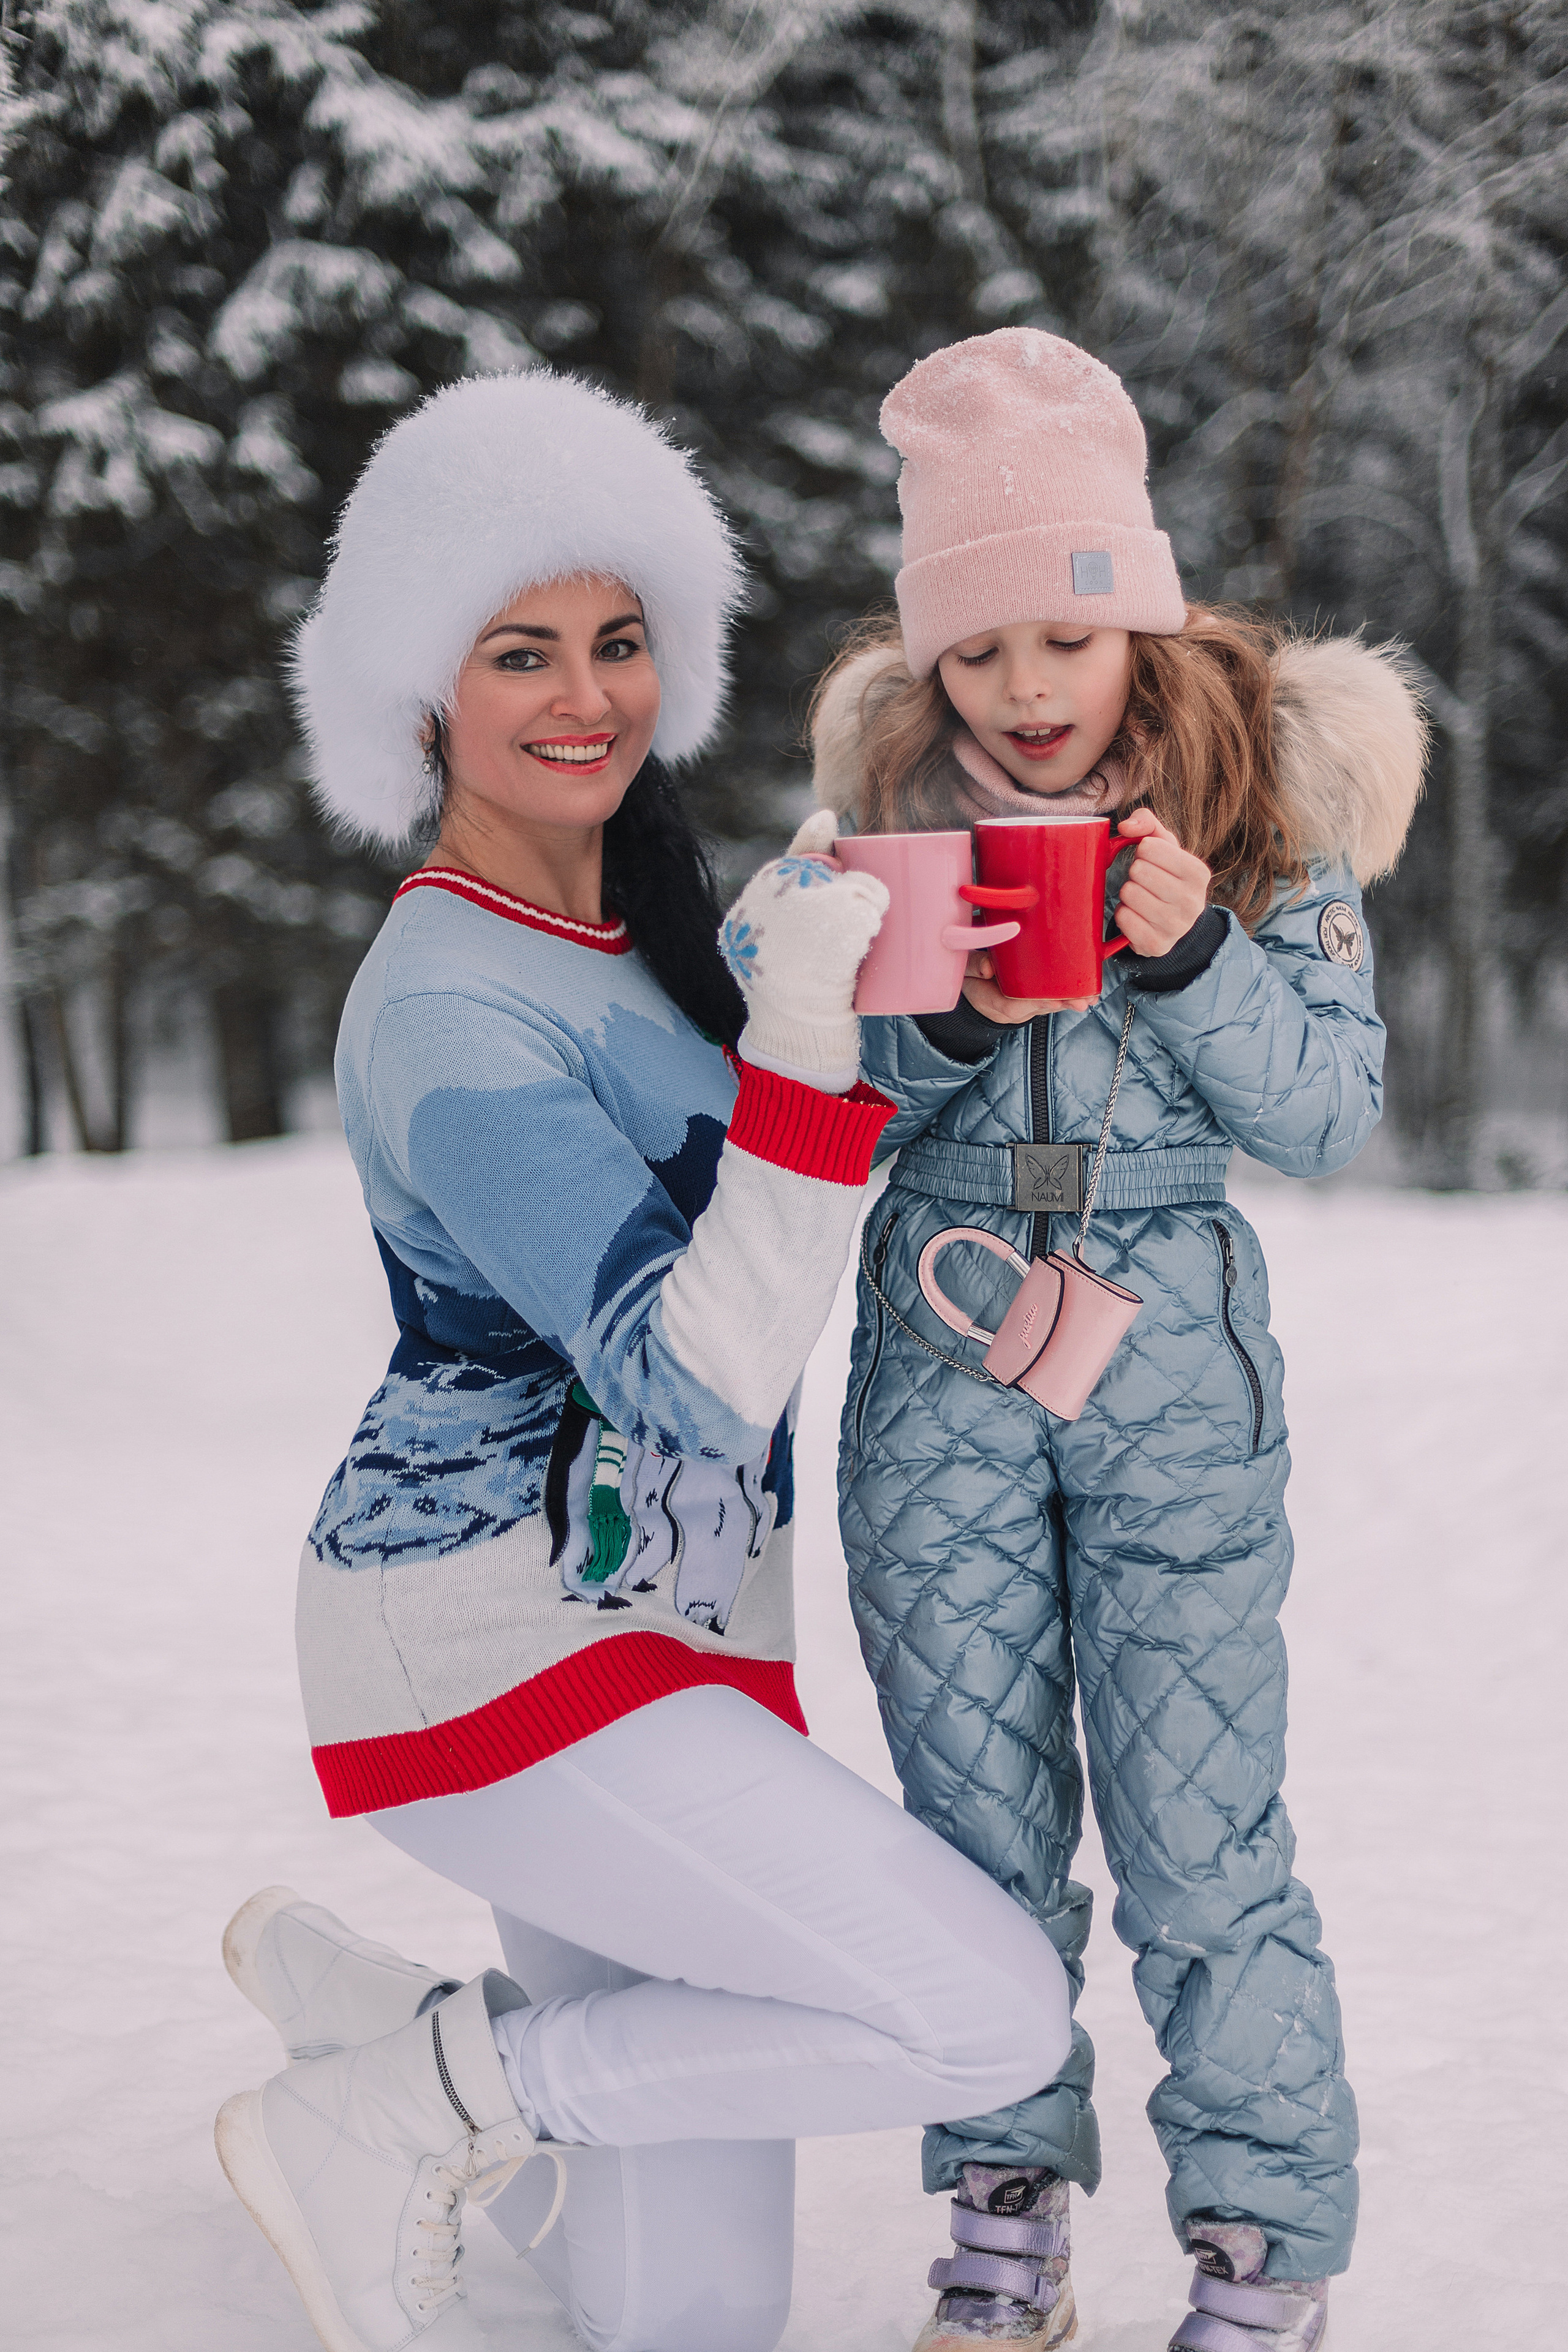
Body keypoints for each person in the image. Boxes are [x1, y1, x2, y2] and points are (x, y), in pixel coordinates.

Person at [213, 371, 1073, 2352]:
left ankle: (420, 2043)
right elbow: (694, 1383)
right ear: (427, 695)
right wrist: (796, 1044)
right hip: (500, 1650)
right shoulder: (444, 1001)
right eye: (520, 652)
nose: (581, 693)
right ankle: (428, 2099)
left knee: (685, 2321)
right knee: (981, 2007)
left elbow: (797, 1169)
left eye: (618, 642)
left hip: (653, 1632)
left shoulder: (637, 948)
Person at [814, 329, 1428, 2352]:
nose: (1025, 693)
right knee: (973, 1834)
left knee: (1200, 1830)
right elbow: (819, 1094)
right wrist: (942, 1023)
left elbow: (1326, 1116)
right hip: (946, 1353)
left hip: (1172, 1366)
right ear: (933, 664)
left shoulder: (1270, 812)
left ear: (1136, 628)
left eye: (1061, 645)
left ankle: (1263, 2248)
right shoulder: (874, 821)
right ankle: (1002, 2220)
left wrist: (1191, 957)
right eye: (978, 655)